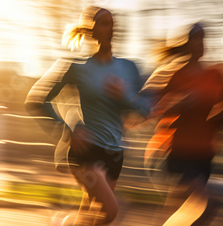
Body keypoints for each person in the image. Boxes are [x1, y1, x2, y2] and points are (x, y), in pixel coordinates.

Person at [24, 6, 148, 225]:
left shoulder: (129, 68)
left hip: (115, 154)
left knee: (92, 215)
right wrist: (69, 128)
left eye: (112, 23)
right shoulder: (76, 67)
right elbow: (36, 100)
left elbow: (145, 109)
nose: (110, 28)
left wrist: (124, 97)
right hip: (86, 150)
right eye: (103, 23)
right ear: (91, 31)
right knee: (110, 212)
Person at [142, 22, 223, 225]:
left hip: (205, 154)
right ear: (186, 44)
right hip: (177, 152)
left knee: (182, 211)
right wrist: (179, 104)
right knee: (207, 206)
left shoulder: (216, 75)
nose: (201, 43)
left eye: (203, 39)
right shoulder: (172, 75)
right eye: (196, 39)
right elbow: (150, 111)